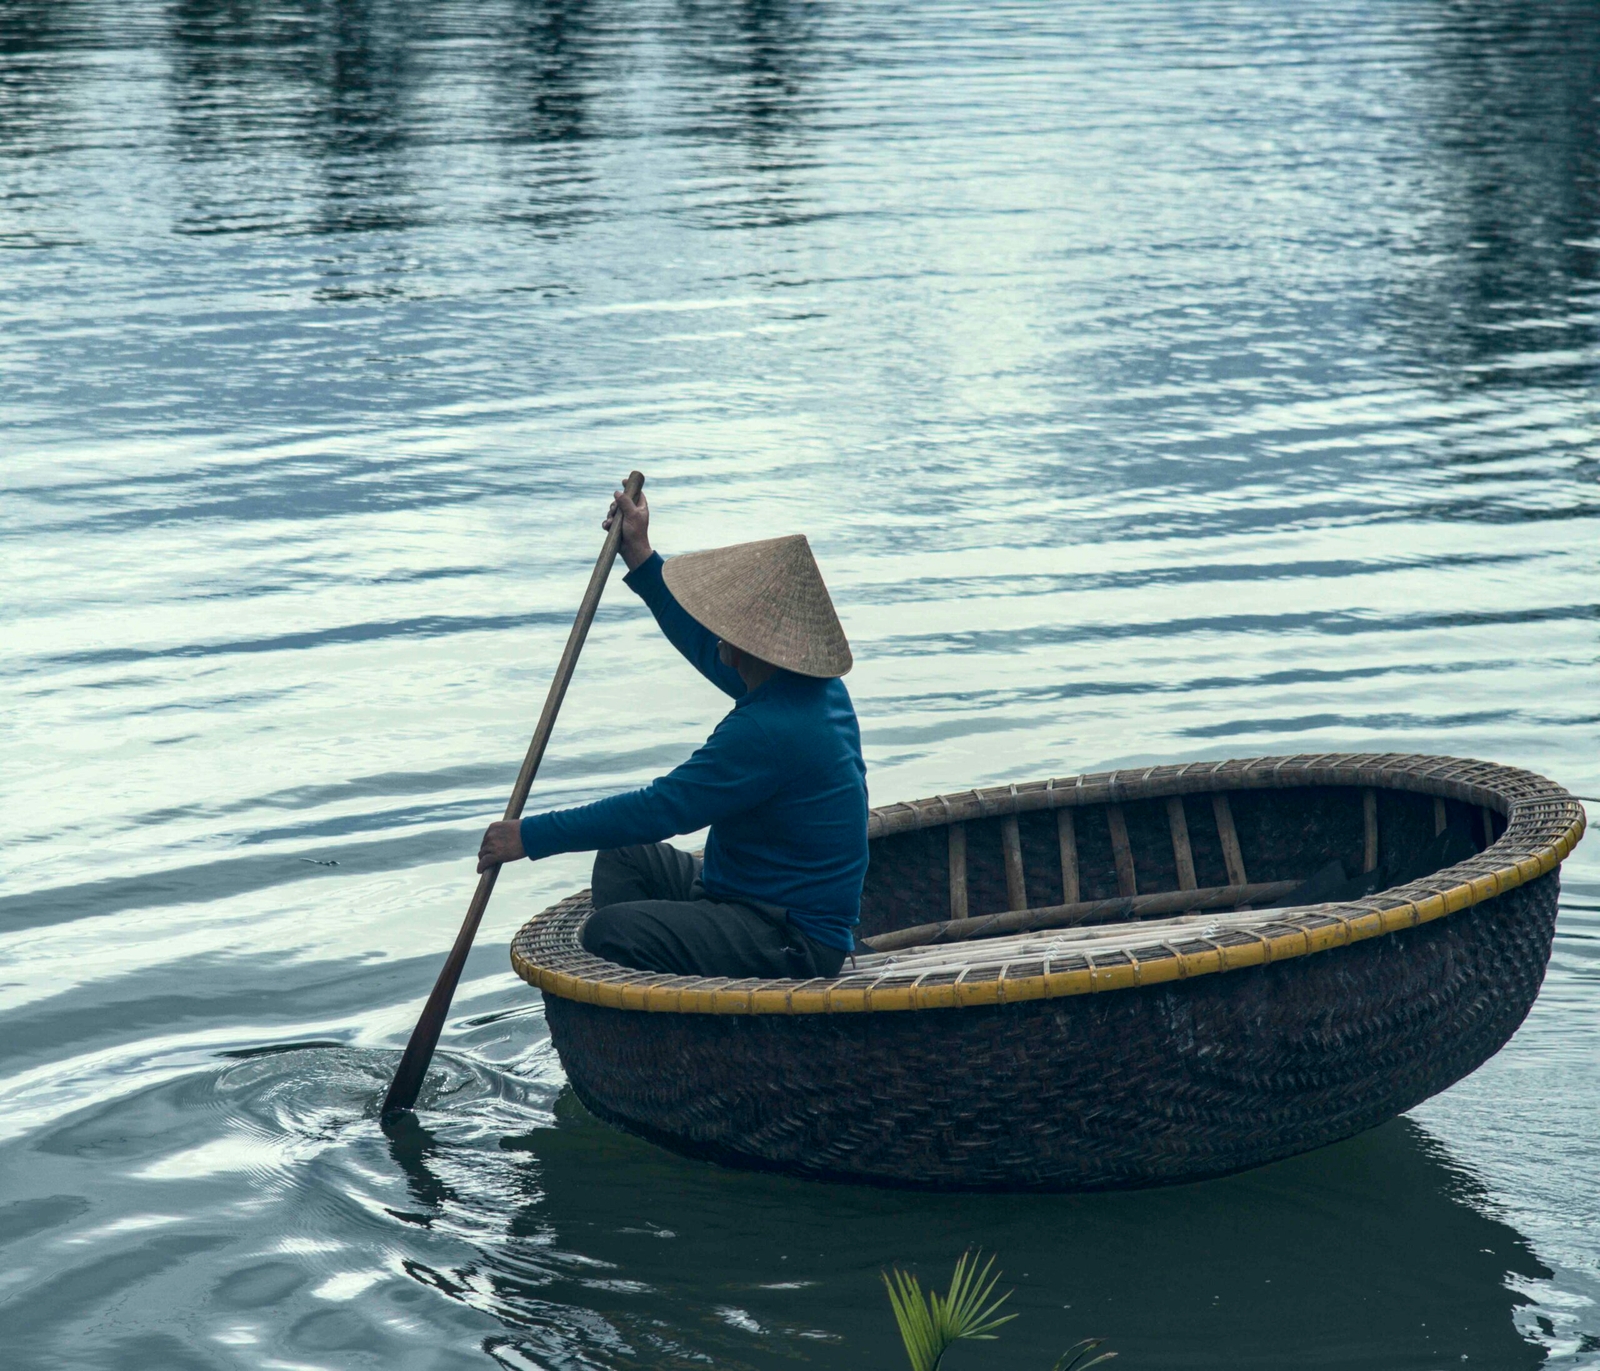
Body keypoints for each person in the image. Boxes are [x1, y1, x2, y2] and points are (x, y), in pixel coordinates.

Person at [475, 482, 868, 980]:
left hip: (790, 936)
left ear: (747, 645)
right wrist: (640, 557)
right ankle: (665, 985)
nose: (718, 630)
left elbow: (659, 808)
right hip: (741, 893)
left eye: (726, 625)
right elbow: (707, 648)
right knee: (623, 855)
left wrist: (529, 836)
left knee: (609, 932)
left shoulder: (769, 731)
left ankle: (682, 1014)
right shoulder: (806, 685)